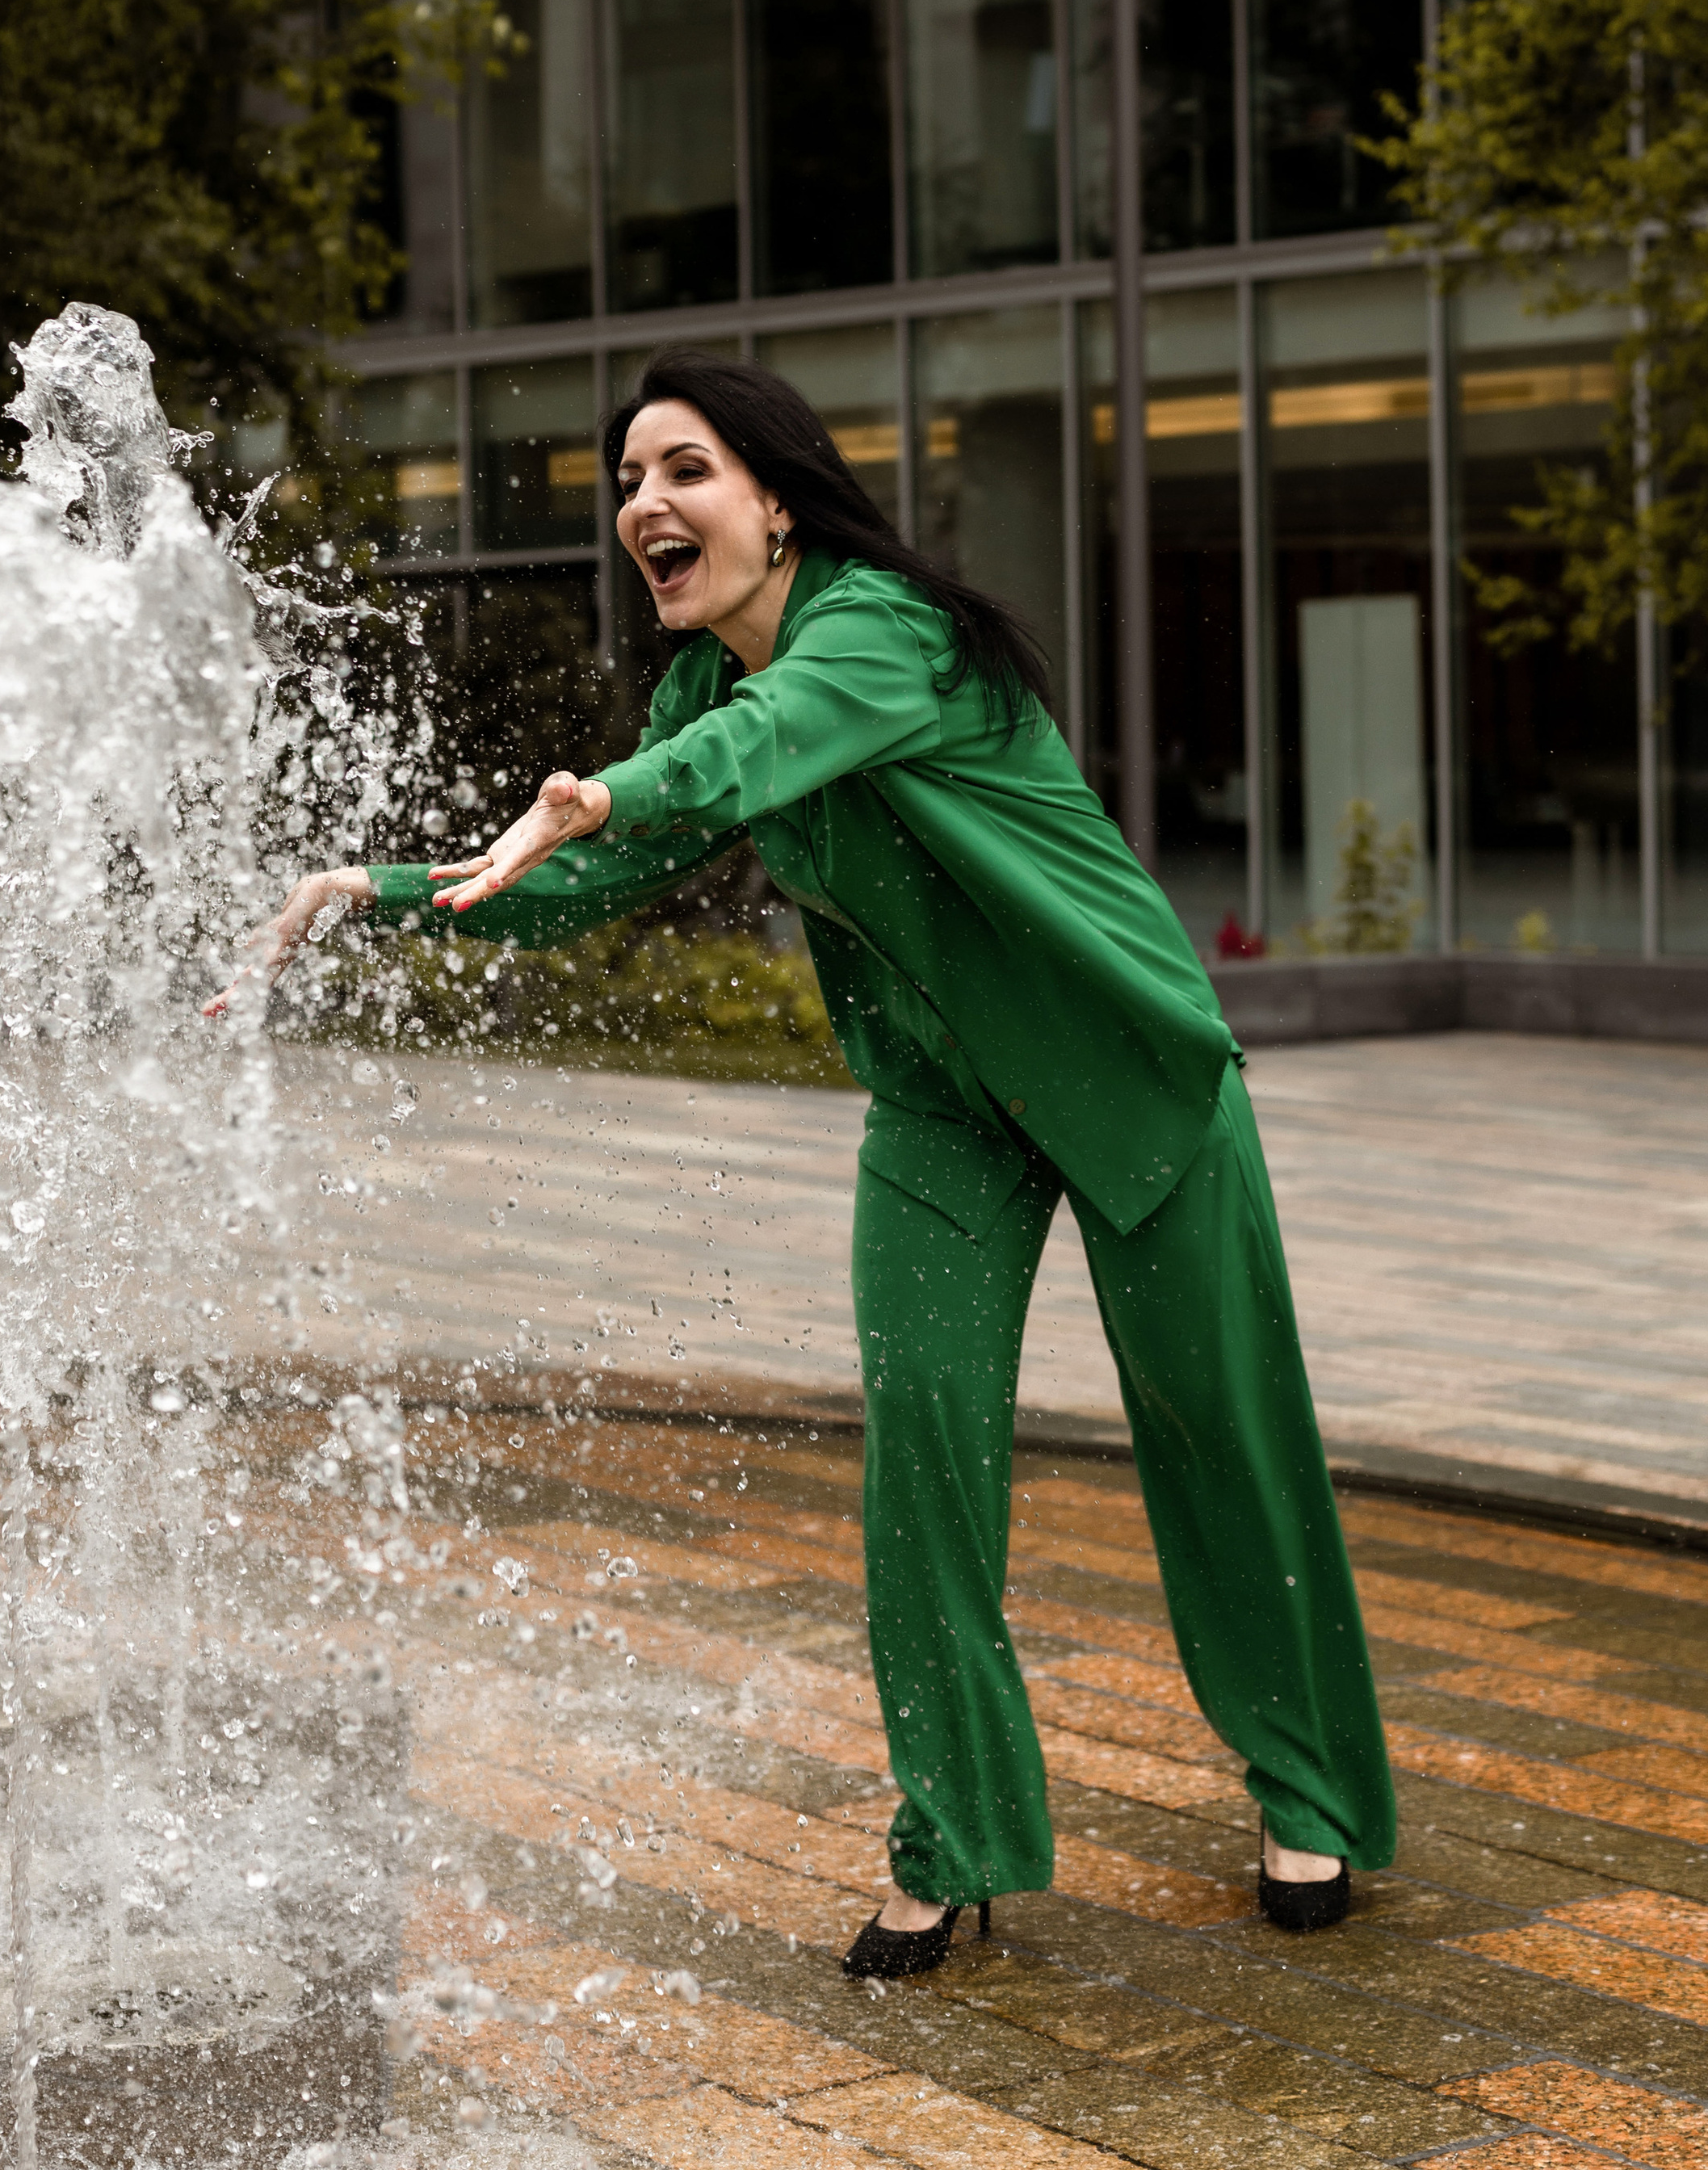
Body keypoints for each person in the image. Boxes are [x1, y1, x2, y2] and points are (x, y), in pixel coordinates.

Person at [212, 350, 1395, 1973]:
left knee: (1218, 1438)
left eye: (682, 470)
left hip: (1127, 1071)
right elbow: (601, 864)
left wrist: (612, 788)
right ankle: (955, 1838)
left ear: (774, 499)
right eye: (627, 482)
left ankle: (1309, 1790)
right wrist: (381, 885)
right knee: (920, 1464)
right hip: (937, 1112)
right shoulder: (700, 696)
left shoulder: (881, 633)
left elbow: (766, 744)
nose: (646, 505)